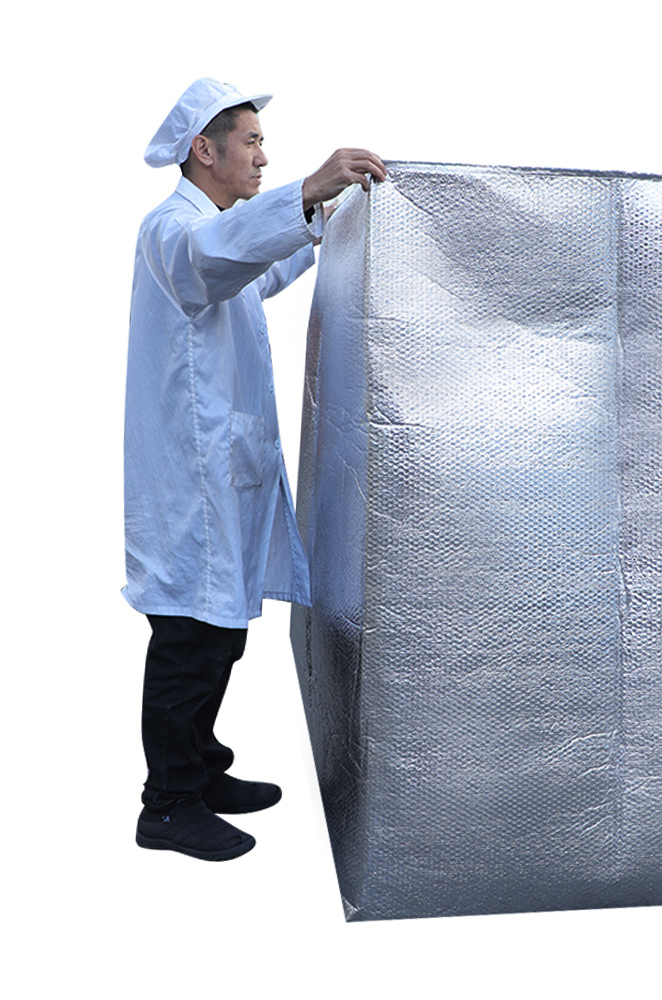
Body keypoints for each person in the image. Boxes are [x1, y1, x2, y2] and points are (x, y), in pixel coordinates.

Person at [124, 78, 386, 861]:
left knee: (221, 636)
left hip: (220, 477)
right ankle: (167, 805)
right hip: (188, 484)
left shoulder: (216, 235)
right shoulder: (174, 230)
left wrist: (325, 218)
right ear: (203, 150)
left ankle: (201, 771)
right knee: (189, 642)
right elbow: (215, 260)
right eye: (251, 142)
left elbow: (254, 269)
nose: (263, 157)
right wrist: (305, 192)